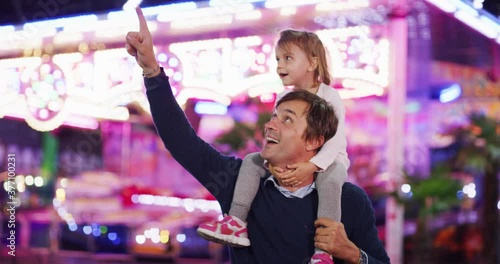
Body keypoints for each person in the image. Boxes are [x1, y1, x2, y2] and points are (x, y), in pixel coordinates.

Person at [126, 7, 390, 264]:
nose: (271, 125)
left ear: (314, 140)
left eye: (287, 119)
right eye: (275, 116)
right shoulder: (237, 181)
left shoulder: (349, 201)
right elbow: (179, 139)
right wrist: (151, 70)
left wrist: (353, 254)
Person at [197, 29, 349, 263]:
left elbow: (335, 141)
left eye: (288, 58)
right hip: (291, 159)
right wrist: (271, 161)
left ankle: (323, 252)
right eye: (278, 59)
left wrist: (312, 166)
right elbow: (276, 134)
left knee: (333, 176)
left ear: (312, 62)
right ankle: (236, 222)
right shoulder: (282, 97)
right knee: (251, 161)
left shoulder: (330, 96)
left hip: (326, 161)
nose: (280, 65)